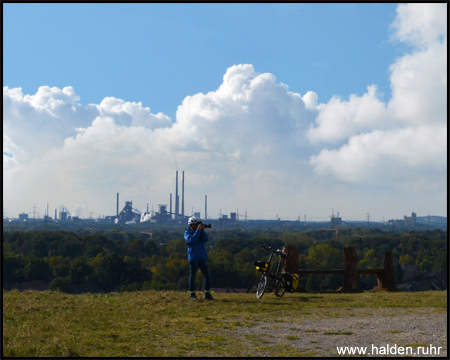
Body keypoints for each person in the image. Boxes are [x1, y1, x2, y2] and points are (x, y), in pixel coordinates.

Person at [184, 216, 214, 300]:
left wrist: (202, 231)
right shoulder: (187, 232)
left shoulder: (199, 232)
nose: (198, 225)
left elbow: (205, 240)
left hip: (202, 257)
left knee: (207, 275)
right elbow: (191, 240)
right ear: (192, 225)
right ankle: (192, 294)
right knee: (193, 276)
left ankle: (207, 294)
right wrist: (198, 231)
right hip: (193, 258)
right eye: (197, 224)